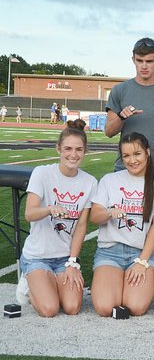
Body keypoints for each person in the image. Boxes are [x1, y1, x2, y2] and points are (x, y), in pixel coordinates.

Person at [90, 132, 154, 316]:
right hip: (110, 251)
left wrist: (142, 261)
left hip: (142, 252)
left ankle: (126, 282)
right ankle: (114, 281)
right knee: (105, 307)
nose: (132, 160)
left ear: (148, 153)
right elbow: (94, 216)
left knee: (135, 306)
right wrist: (109, 212)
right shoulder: (109, 180)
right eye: (126, 155)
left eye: (137, 154)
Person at [20, 120, 97, 316]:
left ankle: (50, 281)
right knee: (49, 309)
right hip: (38, 256)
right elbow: (29, 214)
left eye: (79, 149)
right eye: (68, 148)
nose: (73, 154)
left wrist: (72, 262)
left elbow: (81, 226)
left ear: (85, 151)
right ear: (58, 149)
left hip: (64, 257)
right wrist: (50, 209)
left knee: (72, 307)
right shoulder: (42, 173)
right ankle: (30, 281)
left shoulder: (89, 182)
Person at [105, 37, 154, 177]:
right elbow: (109, 131)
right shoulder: (119, 90)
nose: (144, 66)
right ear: (133, 60)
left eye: (149, 61)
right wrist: (121, 117)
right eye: (139, 61)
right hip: (124, 169)